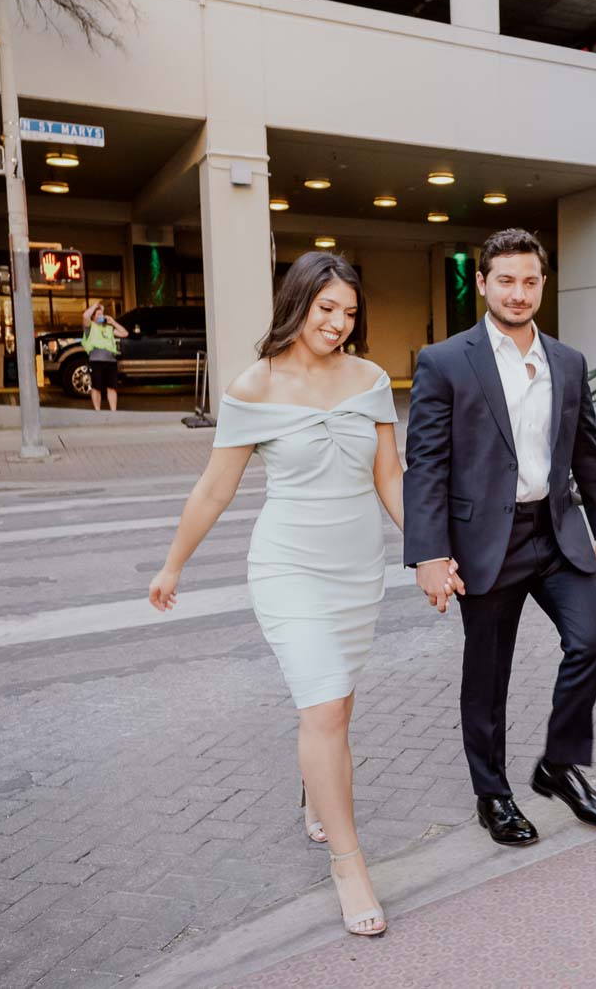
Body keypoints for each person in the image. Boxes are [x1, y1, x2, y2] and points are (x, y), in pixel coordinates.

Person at [148, 252, 448, 938]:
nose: (339, 324)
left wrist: (427, 550)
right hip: (288, 568)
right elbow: (215, 488)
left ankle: (317, 792)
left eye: (349, 313)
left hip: (356, 572)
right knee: (324, 707)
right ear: (298, 303)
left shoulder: (370, 379)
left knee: (335, 703)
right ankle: (349, 864)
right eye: (327, 310)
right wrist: (173, 566)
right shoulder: (254, 386)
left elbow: (390, 479)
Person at [403, 228, 596, 848]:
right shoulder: (444, 362)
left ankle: (557, 766)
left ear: (543, 284)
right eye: (505, 280)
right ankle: (492, 794)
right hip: (485, 544)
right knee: (488, 674)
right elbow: (427, 466)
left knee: (593, 640)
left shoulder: (568, 361)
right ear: (481, 284)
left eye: (530, 281)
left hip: (555, 533)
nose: (518, 292)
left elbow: (588, 450)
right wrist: (428, 552)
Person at [81, 301, 128, 411]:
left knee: (112, 387)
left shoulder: (109, 328)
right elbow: (85, 316)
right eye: (98, 314)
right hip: (96, 361)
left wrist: (113, 321)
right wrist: (95, 306)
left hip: (111, 361)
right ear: (93, 317)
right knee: (96, 387)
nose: (100, 316)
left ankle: (113, 411)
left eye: (102, 314)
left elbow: (125, 333)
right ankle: (97, 410)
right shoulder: (90, 327)